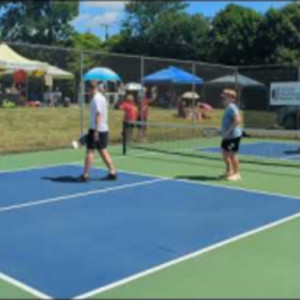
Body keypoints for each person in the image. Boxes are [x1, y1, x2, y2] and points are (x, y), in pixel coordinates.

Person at [78, 80, 117, 182]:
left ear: (91, 89)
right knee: (103, 150)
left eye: (87, 90)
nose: (87, 92)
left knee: (90, 151)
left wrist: (95, 131)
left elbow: (98, 115)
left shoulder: (96, 99)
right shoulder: (101, 98)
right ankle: (112, 172)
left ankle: (85, 175)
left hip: (97, 129)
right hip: (102, 129)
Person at [220, 89, 242, 181]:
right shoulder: (228, 107)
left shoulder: (232, 107)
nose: (223, 98)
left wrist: (228, 131)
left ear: (232, 98)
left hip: (233, 136)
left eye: (225, 96)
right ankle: (229, 170)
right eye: (223, 96)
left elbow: (238, 120)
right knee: (224, 152)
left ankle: (237, 174)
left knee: (232, 155)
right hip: (227, 136)